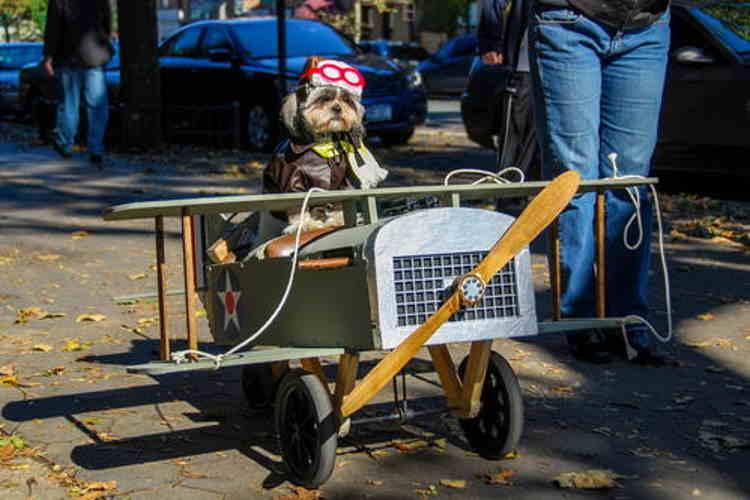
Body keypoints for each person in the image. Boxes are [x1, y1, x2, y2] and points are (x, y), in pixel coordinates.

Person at [528, 0, 671, 364]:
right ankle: (580, 317)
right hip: (568, 21)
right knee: (575, 180)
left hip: (647, 26)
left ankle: (627, 319)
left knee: (630, 183)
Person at [43, 0, 113, 166]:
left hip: (68, 56)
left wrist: (48, 56)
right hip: (95, 54)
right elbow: (107, 21)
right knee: (97, 106)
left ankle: (65, 144)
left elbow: (53, 27)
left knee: (68, 104)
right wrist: (103, 41)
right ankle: (96, 149)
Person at [477, 0, 539, 182]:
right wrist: (490, 41)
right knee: (516, 142)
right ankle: (509, 200)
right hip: (526, 66)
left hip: (575, 62)